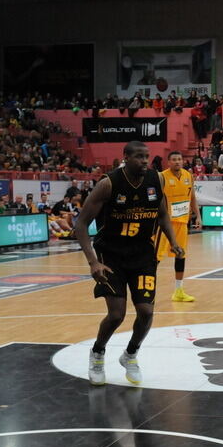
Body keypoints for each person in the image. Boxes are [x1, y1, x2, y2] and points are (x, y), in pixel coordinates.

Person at [74, 141, 183, 386]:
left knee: (146, 312)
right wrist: (93, 263)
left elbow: (162, 213)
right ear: (125, 158)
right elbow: (80, 225)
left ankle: (130, 355)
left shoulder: (157, 180)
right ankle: (98, 353)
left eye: (147, 156)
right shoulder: (109, 183)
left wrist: (172, 241)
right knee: (116, 315)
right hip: (110, 256)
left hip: (143, 255)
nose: (144, 161)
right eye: (138, 157)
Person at [156, 151, 202, 302]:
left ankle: (179, 291)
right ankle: (147, 289)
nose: (177, 162)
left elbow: (193, 197)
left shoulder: (188, 176)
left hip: (182, 223)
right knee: (154, 258)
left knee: (180, 255)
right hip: (164, 224)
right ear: (168, 162)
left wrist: (198, 216)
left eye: (180, 159)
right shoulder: (161, 177)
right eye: (174, 160)